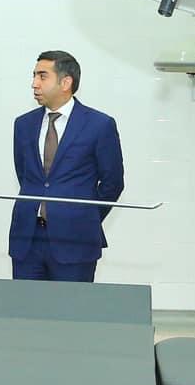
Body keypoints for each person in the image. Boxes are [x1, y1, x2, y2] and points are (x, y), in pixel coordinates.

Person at [8, 50, 124, 282]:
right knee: (24, 305)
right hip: (27, 240)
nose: (34, 84)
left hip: (76, 241)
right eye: (34, 76)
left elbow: (112, 183)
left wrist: (84, 216)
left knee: (71, 305)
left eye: (42, 76)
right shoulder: (23, 124)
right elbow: (25, 175)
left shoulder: (99, 125)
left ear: (65, 82)